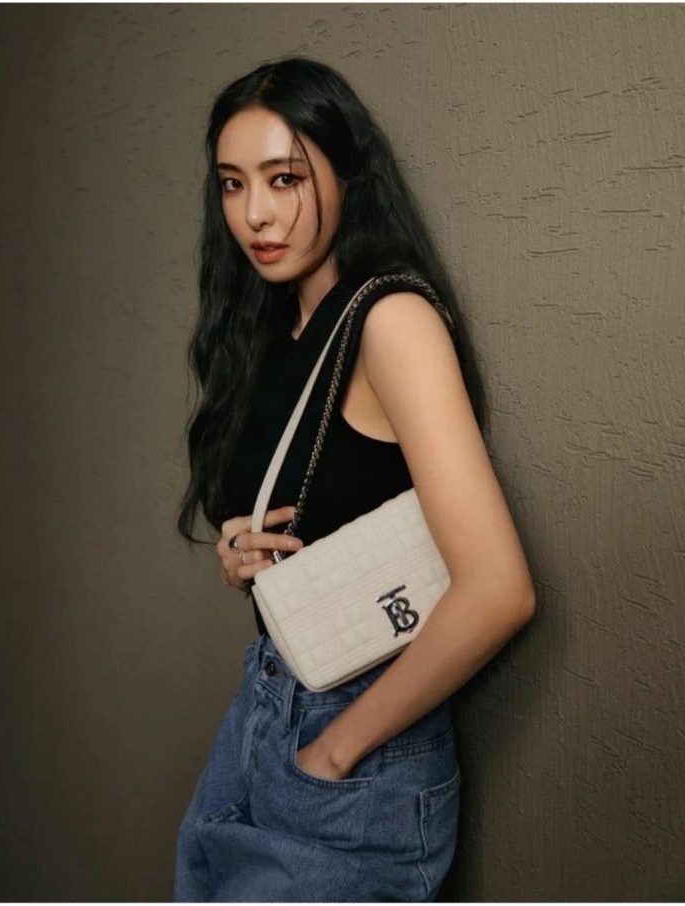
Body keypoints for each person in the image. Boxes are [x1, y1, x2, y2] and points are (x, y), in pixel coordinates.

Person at [175, 57, 535, 902]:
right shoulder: (275, 327)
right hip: (266, 705)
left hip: (350, 739)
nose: (255, 214)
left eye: (285, 178)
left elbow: (499, 591)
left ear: (346, 173)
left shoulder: (389, 321)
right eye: (232, 184)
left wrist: (334, 752)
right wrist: (241, 549)